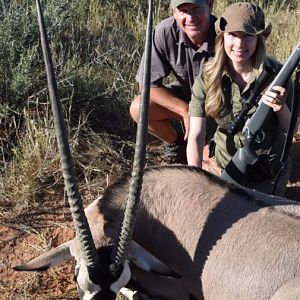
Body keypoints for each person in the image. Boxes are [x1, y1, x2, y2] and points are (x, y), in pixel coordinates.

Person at [187, 2, 296, 196]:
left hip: (265, 172)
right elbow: (196, 135)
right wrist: (194, 180)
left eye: (247, 36)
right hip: (223, 166)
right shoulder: (208, 76)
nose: (239, 45)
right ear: (222, 37)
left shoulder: (279, 76)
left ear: (259, 39)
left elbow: (291, 129)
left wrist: (280, 108)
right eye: (233, 35)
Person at [130, 0, 216, 164]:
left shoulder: (225, 35)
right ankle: (177, 145)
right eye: (183, 10)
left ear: (210, 5)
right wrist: (185, 111)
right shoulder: (165, 31)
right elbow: (146, 85)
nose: (190, 17)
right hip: (189, 98)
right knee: (139, 108)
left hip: (217, 108)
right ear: (174, 13)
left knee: (207, 167)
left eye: (196, 9)